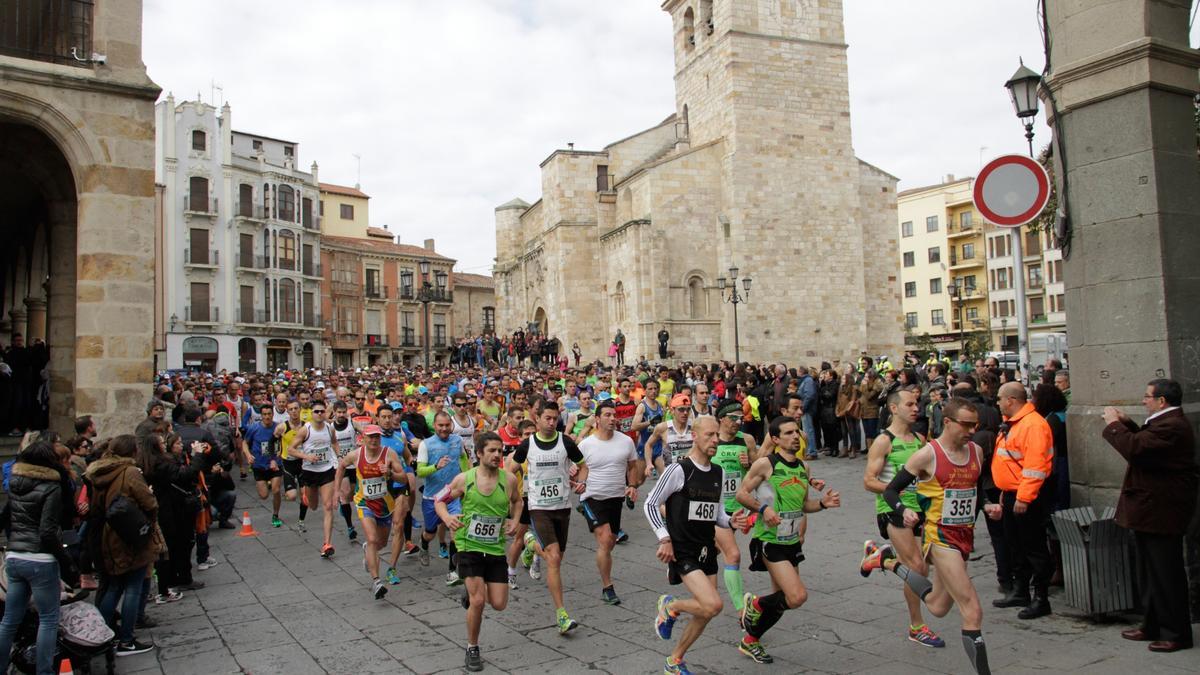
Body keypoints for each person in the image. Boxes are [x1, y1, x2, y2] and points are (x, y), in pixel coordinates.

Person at [859, 397, 1002, 675]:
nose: (972, 430)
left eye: (976, 425)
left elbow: (976, 487)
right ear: (947, 422)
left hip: (964, 538)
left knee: (938, 606)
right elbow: (889, 490)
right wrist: (903, 509)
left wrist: (986, 505)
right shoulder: (926, 453)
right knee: (972, 609)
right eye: (966, 424)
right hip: (939, 537)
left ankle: (887, 562)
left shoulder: (975, 451)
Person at [644, 415, 748, 675]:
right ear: (695, 436)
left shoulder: (718, 472)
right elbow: (650, 504)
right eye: (709, 435)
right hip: (683, 549)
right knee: (713, 604)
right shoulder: (679, 469)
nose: (715, 441)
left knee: (705, 612)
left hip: (706, 548)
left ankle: (675, 660)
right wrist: (664, 538)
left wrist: (732, 521)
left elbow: (717, 514)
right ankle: (671, 606)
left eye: (717, 436)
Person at [735, 416, 841, 664]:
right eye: (789, 433)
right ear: (775, 439)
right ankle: (756, 603)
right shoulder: (765, 464)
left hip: (791, 541)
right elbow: (742, 494)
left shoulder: (804, 467)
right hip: (770, 541)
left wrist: (823, 504)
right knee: (796, 596)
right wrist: (763, 510)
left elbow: (804, 505)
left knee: (782, 601)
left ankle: (750, 640)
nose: (796, 436)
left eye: (797, 432)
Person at [1102, 379, 1198, 653]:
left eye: (1147, 396)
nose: (1144, 400)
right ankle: (1153, 624)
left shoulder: (1173, 426)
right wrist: (1129, 423)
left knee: (1166, 575)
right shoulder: (1164, 424)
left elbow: (1136, 449)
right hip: (1150, 510)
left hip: (1162, 511)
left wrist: (1114, 424)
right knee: (1150, 573)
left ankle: (1176, 633)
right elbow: (1145, 444)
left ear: (1162, 401)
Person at [862, 389, 944, 647]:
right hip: (892, 509)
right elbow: (868, 480)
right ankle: (917, 626)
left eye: (917, 403)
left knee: (923, 565)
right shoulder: (884, 441)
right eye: (909, 404)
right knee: (917, 567)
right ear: (894, 408)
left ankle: (881, 559)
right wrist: (893, 490)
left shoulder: (920, 438)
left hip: (919, 508)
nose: (916, 407)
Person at [436, 433, 519, 671]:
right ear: (479, 454)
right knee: (479, 601)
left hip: (494, 548)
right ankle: (472, 647)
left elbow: (517, 501)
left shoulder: (509, 479)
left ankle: (469, 593)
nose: (497, 455)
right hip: (468, 545)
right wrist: (447, 517)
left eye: (500, 451)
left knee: (499, 603)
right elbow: (439, 501)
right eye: (491, 451)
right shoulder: (465, 479)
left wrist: (513, 520)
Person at [511, 399, 588, 634]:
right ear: (537, 418)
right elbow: (508, 472)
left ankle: (530, 544)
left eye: (555, 418)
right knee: (553, 559)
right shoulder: (528, 444)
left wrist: (582, 481)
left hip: (562, 507)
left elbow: (583, 465)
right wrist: (514, 499)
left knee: (557, 557)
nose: (552, 422)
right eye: (548, 418)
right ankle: (562, 615)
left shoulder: (565, 442)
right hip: (538, 507)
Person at [0, 441, 76, 674]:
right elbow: (47, 530)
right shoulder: (50, 487)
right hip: (40, 558)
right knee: (49, 619)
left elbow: (6, 517)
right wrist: (65, 560)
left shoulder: (14, 484)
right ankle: (44, 671)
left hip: (15, 555)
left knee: (9, 620)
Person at [86, 434, 161, 657]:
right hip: (129, 535)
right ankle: (126, 640)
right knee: (133, 587)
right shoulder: (129, 473)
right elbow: (149, 503)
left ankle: (99, 632)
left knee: (114, 586)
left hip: (108, 535)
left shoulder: (98, 472)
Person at [991, 381, 1055, 619]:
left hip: (1026, 496)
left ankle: (1041, 598)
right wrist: (1004, 491)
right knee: (1015, 546)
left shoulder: (1033, 425)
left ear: (1011, 400)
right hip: (1012, 494)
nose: (997, 402)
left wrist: (1024, 497)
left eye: (999, 398)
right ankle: (1020, 591)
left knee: (1034, 548)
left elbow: (1035, 466)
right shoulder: (1015, 424)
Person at [578, 399, 642, 605]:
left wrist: (632, 486)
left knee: (611, 541)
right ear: (597, 419)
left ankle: (605, 573)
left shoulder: (626, 441)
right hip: (592, 497)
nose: (613, 418)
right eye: (607, 415)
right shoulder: (586, 444)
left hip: (615, 498)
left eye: (614, 415)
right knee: (605, 540)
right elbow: (577, 469)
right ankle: (608, 587)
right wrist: (578, 482)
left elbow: (632, 466)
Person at [335, 424, 406, 600]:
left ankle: (368, 550)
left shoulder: (389, 454)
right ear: (363, 439)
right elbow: (341, 466)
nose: (374, 440)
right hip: (364, 502)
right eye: (371, 437)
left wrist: (390, 473)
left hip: (385, 505)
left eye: (377, 437)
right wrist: (337, 490)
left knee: (380, 543)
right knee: (372, 539)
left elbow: (403, 477)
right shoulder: (356, 455)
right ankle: (377, 582)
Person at [709, 400, 755, 611]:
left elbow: (759, 472)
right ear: (721, 419)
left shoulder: (747, 440)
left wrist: (749, 465)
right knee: (733, 554)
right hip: (715, 508)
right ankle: (741, 611)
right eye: (733, 418)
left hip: (737, 508)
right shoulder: (710, 440)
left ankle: (686, 562)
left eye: (741, 418)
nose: (738, 422)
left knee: (714, 550)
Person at [416, 411, 470, 584]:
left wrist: (467, 476)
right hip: (432, 497)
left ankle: (452, 572)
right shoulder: (426, 444)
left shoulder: (457, 440)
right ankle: (424, 544)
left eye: (447, 425)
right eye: (441, 425)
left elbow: (462, 458)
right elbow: (420, 471)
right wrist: (435, 466)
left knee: (456, 531)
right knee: (430, 533)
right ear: (435, 426)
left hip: (453, 495)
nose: (444, 428)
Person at [288, 402, 341, 558]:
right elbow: (291, 449)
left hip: (326, 470)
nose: (319, 414)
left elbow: (334, 442)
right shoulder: (306, 430)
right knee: (313, 506)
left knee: (328, 506)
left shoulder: (329, 428)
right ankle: (306, 497)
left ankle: (327, 543)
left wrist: (339, 457)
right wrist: (306, 456)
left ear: (325, 413)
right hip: (309, 471)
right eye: (316, 411)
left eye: (322, 411)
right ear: (311, 413)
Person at [243, 403, 283, 527]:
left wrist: (278, 457)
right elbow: (244, 443)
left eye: (269, 414)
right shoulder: (254, 428)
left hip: (275, 464)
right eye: (264, 414)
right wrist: (248, 455)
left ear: (272, 414)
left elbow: (284, 444)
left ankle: (275, 514)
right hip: (259, 465)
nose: (267, 417)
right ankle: (265, 483)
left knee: (276, 490)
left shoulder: (279, 428)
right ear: (261, 415)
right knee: (264, 496)